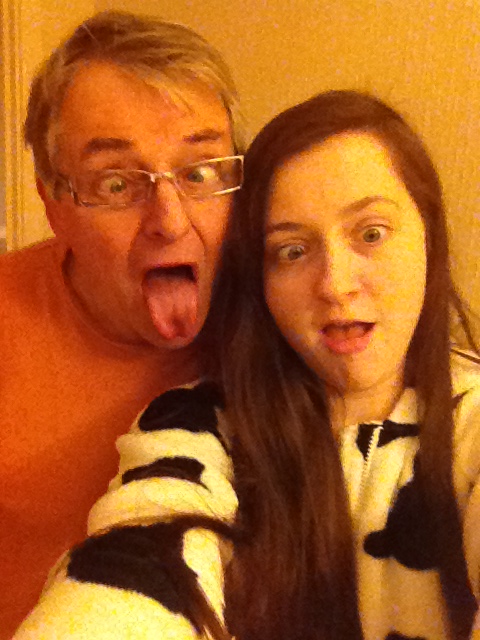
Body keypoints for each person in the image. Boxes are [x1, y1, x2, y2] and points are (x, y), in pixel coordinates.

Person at [13, 92, 480, 640]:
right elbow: (140, 555)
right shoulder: (200, 427)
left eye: (370, 234)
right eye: (292, 251)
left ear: (429, 235)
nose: (335, 285)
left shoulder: (470, 419)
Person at [0, 9, 244, 638]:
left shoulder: (277, 322)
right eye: (116, 184)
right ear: (55, 204)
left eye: (199, 172)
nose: (169, 220)